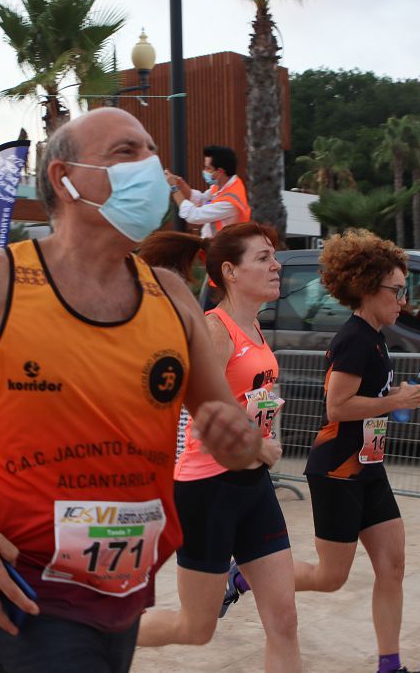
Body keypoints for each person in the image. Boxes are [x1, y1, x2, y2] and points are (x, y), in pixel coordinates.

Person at [0, 107, 263, 673]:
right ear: (64, 179)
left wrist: (237, 438)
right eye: (126, 153)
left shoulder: (171, 295)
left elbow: (225, 435)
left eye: (152, 152)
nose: (151, 167)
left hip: (124, 579)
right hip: (26, 576)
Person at [135, 223, 300, 671]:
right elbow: (207, 420)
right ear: (230, 270)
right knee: (196, 627)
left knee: (283, 619)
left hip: (253, 487)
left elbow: (251, 403)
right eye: (263, 257)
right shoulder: (215, 329)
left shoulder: (255, 328)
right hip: (208, 489)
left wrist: (263, 442)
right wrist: (257, 446)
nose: (276, 265)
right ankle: (102, 633)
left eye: (273, 255)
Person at [293, 229, 420, 673]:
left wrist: (416, 390)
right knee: (330, 577)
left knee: (393, 565)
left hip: (369, 466)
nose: (403, 300)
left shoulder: (376, 337)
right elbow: (338, 406)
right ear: (366, 287)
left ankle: (389, 665)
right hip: (337, 471)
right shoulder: (354, 338)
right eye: (397, 291)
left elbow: (377, 400)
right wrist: (395, 400)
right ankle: (247, 573)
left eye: (405, 291)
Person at [165, 145, 251, 238]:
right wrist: (180, 184)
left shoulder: (229, 202)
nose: (204, 171)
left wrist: (174, 188)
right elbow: (201, 199)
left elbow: (194, 216)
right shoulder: (224, 186)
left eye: (208, 168)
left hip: (223, 249)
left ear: (220, 172)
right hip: (215, 245)